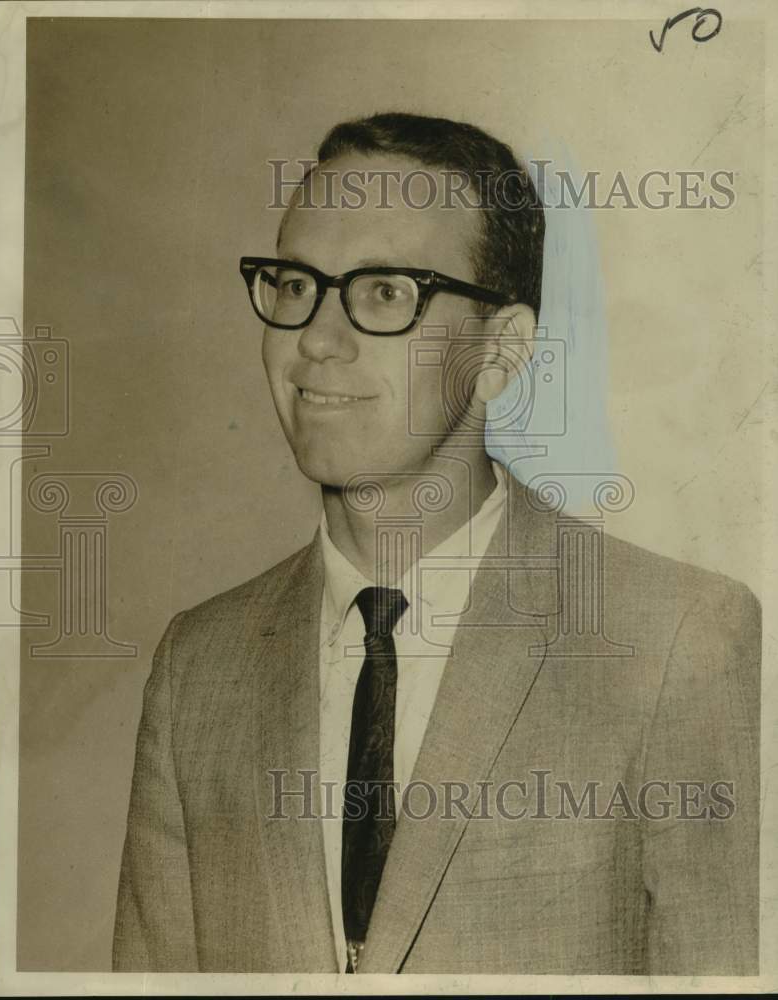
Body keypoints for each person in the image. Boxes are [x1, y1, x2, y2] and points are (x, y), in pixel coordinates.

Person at [113, 112, 760, 975]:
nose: (315, 339)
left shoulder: (676, 638)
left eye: (385, 291)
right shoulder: (200, 665)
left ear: (502, 351)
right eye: (296, 282)